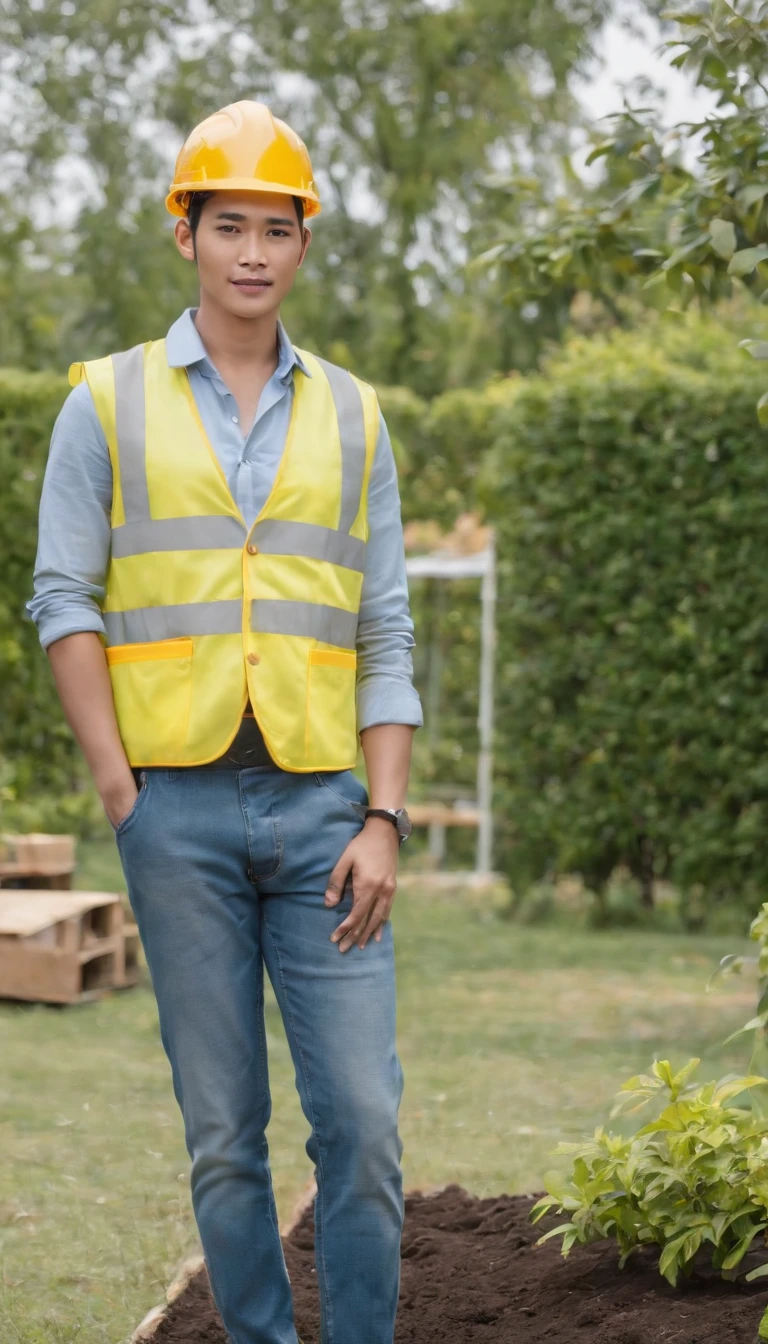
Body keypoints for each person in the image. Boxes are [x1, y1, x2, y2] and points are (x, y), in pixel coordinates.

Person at [28, 100, 423, 1344]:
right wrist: (118, 791)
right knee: (222, 1137)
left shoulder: (355, 418)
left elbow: (385, 631)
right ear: (186, 236)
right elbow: (63, 599)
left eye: (277, 229)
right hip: (176, 810)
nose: (253, 252)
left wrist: (385, 815)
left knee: (361, 1121)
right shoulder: (104, 403)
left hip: (322, 817)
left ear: (304, 246)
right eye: (228, 226)